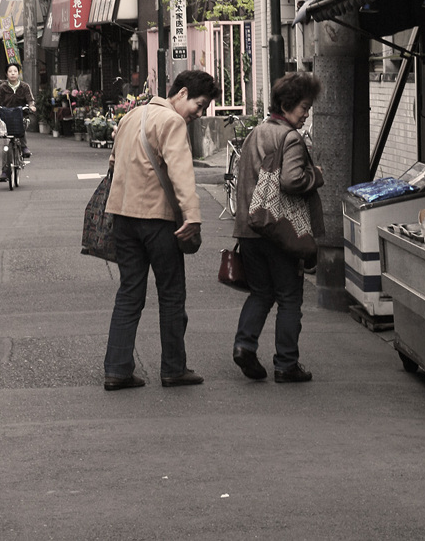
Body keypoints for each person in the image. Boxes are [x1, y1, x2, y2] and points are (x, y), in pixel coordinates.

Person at [102, 69, 220, 390]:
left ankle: (116, 369)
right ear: (181, 93)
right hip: (157, 220)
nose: (199, 113)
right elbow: (182, 173)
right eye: (198, 105)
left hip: (122, 217)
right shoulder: (172, 123)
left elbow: (113, 163)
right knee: (171, 293)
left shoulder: (132, 116)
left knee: (129, 293)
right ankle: (173, 368)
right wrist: (192, 217)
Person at [232, 72, 324, 384]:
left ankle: (244, 344)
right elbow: (291, 180)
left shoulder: (256, 132)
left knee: (260, 291)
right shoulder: (291, 138)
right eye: (303, 108)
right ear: (286, 106)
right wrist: (317, 175)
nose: (306, 113)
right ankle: (286, 364)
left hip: (249, 227)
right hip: (279, 230)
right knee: (289, 297)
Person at [0, 62, 36, 181]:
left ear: (18, 73)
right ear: (6, 74)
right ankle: (5, 171)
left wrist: (31, 106)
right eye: (10, 71)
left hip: (21, 114)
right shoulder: (3, 87)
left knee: (22, 125)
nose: (12, 74)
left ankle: (24, 147)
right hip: (6, 116)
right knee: (6, 145)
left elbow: (30, 100)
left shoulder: (25, 87)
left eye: (15, 71)